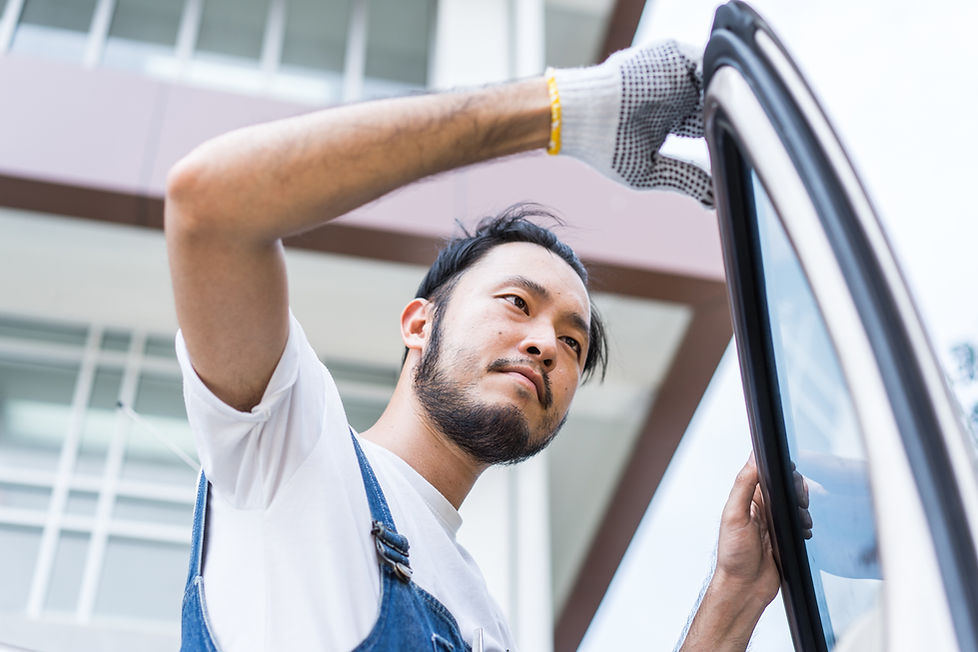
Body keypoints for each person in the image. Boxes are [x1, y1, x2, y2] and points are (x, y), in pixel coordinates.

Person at [165, 41, 780, 651]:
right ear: (418, 324)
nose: (545, 344)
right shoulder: (291, 450)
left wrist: (735, 593)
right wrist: (564, 111)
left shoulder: (485, 620)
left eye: (572, 341)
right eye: (516, 302)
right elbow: (211, 205)